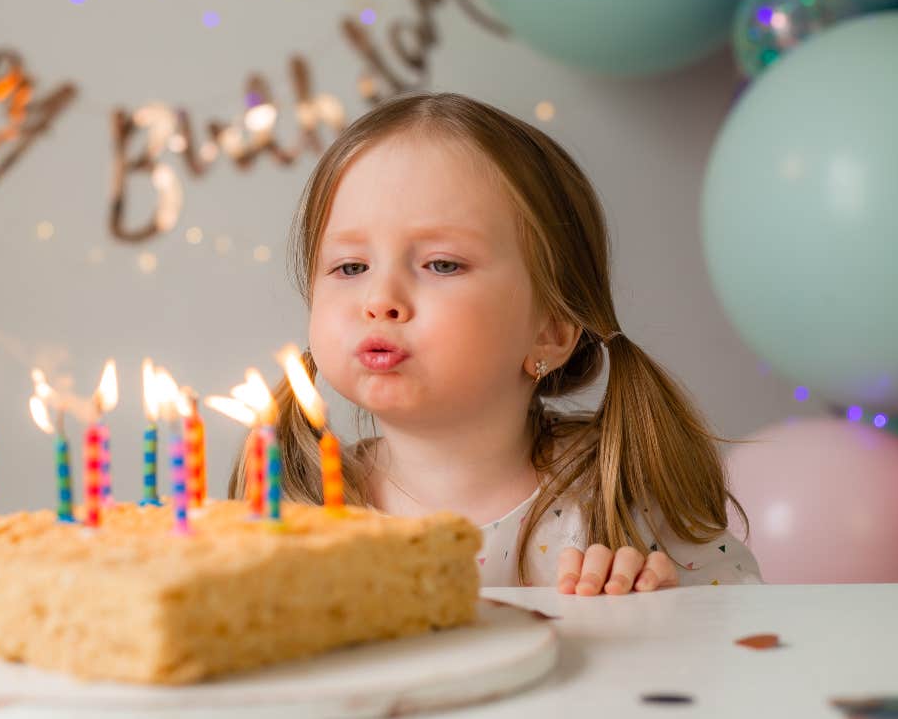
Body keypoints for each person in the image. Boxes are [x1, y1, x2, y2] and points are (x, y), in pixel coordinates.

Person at [229, 92, 761, 593]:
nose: (380, 298)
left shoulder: (618, 500)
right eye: (350, 266)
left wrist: (659, 605)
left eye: (442, 264)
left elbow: (740, 632)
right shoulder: (297, 511)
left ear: (551, 330)